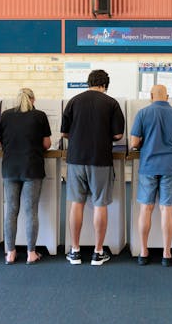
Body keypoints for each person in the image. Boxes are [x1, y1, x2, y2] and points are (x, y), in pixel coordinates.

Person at [61, 69, 125, 266]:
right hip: (100, 159)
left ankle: (75, 251)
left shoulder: (73, 101)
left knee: (76, 203)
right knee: (100, 204)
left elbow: (64, 133)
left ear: (88, 82)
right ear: (105, 85)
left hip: (76, 159)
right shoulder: (111, 103)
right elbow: (118, 136)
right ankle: (98, 252)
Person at [129, 84, 172, 267]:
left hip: (148, 166)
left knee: (146, 209)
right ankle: (166, 254)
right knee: (166, 210)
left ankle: (143, 252)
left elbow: (134, 143)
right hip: (169, 167)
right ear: (168, 96)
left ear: (151, 96)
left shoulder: (142, 114)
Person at [0, 88, 52, 265]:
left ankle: (10, 253)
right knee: (31, 211)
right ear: (33, 99)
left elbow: (1, 140)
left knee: (11, 211)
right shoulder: (40, 116)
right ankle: (31, 253)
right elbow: (47, 143)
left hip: (10, 167)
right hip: (32, 167)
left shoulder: (5, 115)